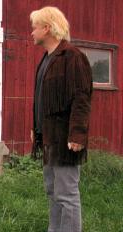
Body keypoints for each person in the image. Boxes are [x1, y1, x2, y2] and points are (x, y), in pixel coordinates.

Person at [30, 6, 92, 232]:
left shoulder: (72, 56)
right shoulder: (47, 58)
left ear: (47, 28)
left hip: (66, 138)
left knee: (66, 194)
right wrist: (36, 128)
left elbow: (81, 98)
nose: (32, 32)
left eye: (35, 27)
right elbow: (42, 98)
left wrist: (77, 134)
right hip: (48, 137)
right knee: (52, 191)